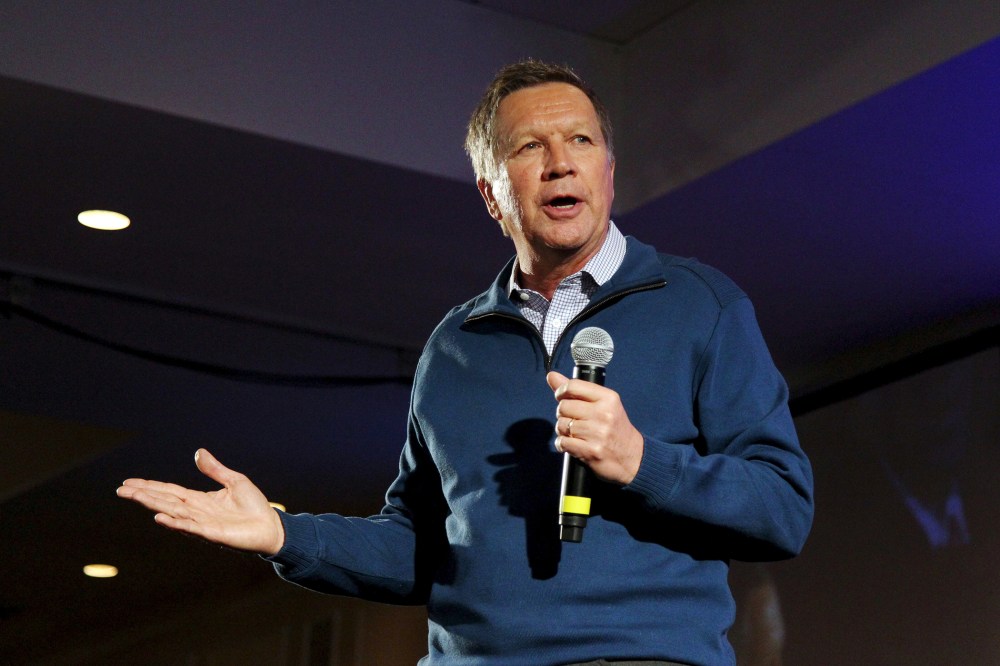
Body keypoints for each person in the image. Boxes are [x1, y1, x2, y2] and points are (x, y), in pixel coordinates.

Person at [118, 60, 814, 665]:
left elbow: (782, 509)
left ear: (608, 169)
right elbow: (419, 546)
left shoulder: (702, 306)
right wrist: (283, 534)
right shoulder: (453, 348)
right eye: (530, 147)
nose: (560, 162)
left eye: (581, 140)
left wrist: (640, 461)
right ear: (491, 194)